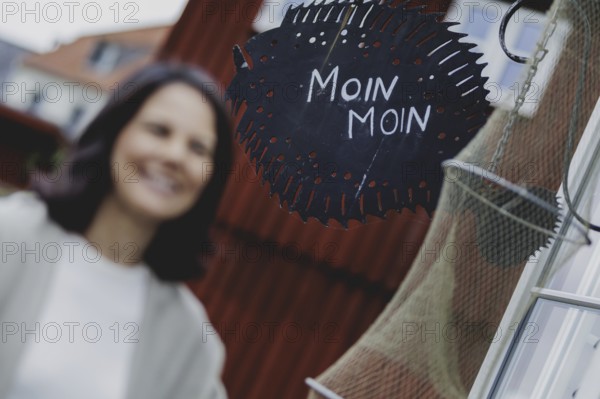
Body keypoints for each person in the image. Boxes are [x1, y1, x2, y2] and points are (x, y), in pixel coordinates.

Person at [0, 62, 233, 399]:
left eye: (198, 148)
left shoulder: (191, 342)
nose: (174, 155)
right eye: (159, 130)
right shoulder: (9, 236)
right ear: (113, 133)